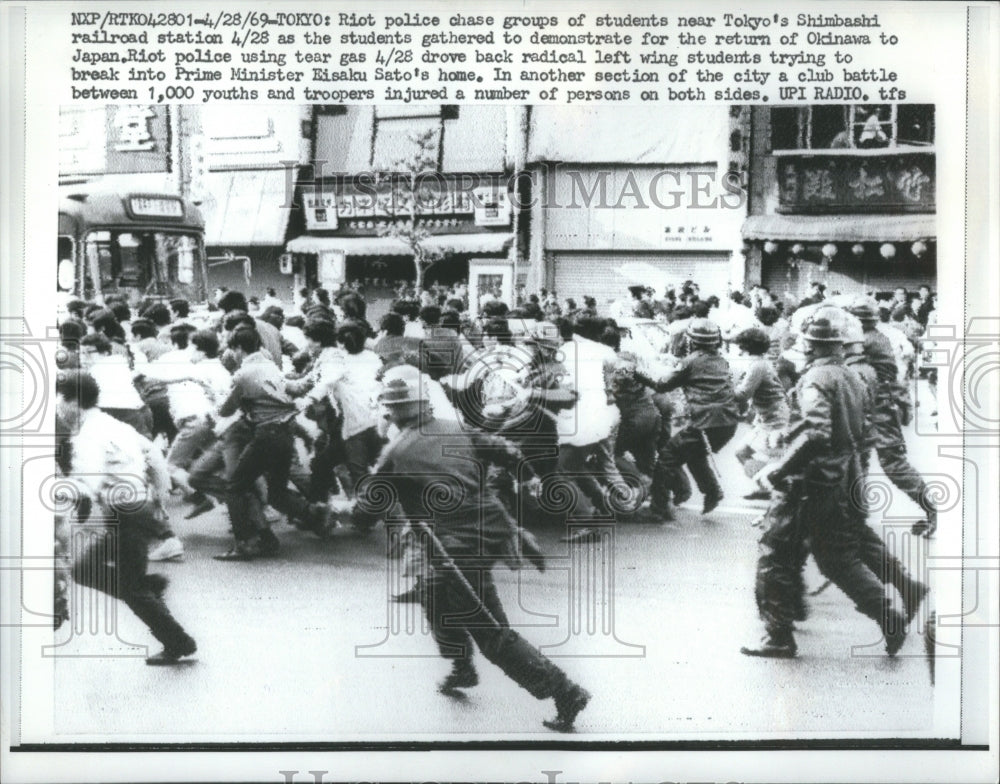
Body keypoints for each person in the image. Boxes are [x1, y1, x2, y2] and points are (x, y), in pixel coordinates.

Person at [354, 365, 591, 732]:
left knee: (492, 633)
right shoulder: (458, 429)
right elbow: (507, 451)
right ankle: (460, 665)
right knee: (433, 594)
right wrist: (515, 480)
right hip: (488, 530)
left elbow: (368, 504)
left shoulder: (396, 451)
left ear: (394, 409)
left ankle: (564, 690)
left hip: (456, 548)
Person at [741, 311, 911, 659]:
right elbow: (855, 431)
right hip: (841, 478)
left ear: (811, 344)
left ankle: (778, 637)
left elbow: (816, 432)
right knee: (838, 558)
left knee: (775, 556)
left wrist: (780, 468)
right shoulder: (853, 377)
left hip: (809, 482)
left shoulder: (816, 378)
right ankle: (888, 617)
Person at [56, 370, 197, 665]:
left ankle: (177, 639)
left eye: (59, 401)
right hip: (137, 509)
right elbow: (154, 456)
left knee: (102, 577)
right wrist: (159, 497)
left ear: (73, 402)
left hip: (126, 514)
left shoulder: (88, 436)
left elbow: (87, 486)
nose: (58, 409)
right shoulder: (113, 424)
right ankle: (153, 595)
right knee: (93, 572)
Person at [213, 326, 331, 560]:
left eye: (233, 349)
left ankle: (245, 543)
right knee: (276, 492)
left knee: (235, 487)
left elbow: (227, 409)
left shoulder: (243, 374)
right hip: (285, 435)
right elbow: (293, 389)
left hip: (266, 435)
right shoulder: (270, 366)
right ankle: (313, 513)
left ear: (238, 348)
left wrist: (217, 403)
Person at [848, 296, 937, 536]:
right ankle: (855, 514)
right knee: (860, 459)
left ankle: (930, 509)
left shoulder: (863, 340)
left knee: (890, 463)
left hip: (878, 406)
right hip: (879, 403)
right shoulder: (877, 336)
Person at [646, 318, 738, 518]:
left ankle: (660, 508)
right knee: (695, 455)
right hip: (728, 423)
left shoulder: (690, 361)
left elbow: (661, 385)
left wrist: (636, 373)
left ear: (692, 341)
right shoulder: (721, 360)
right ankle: (712, 491)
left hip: (705, 422)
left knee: (665, 459)